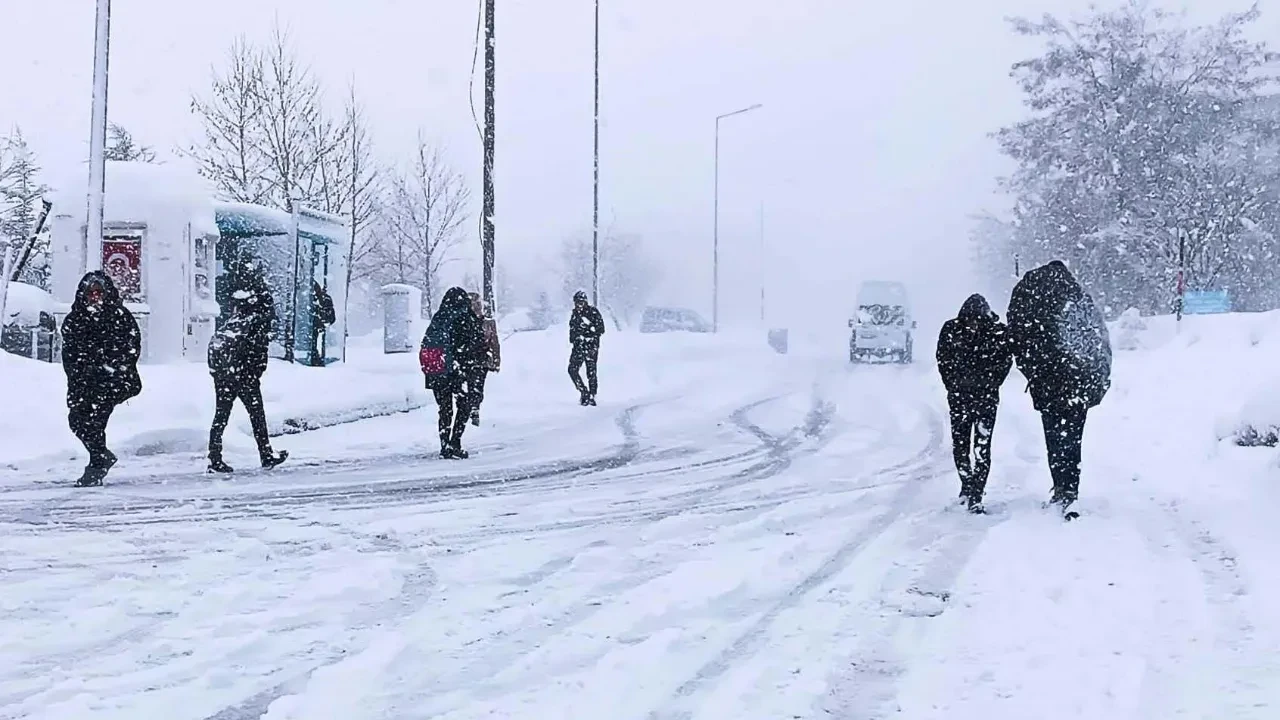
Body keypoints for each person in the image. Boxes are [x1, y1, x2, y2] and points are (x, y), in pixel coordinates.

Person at [1007, 260, 1112, 518]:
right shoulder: (1078, 300)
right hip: (1079, 385)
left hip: (1049, 386)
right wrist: (1096, 379)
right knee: (1074, 439)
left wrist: (1034, 372)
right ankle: (1071, 490)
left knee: (1054, 439)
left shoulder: (1035, 303)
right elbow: (1098, 342)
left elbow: (1019, 341)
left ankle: (1061, 487)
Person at [60, 271, 142, 487]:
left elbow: (131, 348)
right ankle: (101, 456)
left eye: (99, 292)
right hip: (84, 383)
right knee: (77, 421)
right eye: (91, 293)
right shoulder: (74, 319)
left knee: (96, 421)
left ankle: (96, 467)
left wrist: (114, 369)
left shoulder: (119, 316)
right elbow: (69, 356)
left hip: (113, 382)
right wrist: (79, 377)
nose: (95, 297)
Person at [936, 294, 1013, 513]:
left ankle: (977, 493)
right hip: (960, 398)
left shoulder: (998, 333)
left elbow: (1005, 362)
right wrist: (953, 385)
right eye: (969, 321)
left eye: (977, 321)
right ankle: (966, 485)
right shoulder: (951, 330)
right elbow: (943, 359)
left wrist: (990, 383)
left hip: (985, 399)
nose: (973, 325)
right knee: (960, 446)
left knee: (982, 448)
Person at [207, 277, 288, 473]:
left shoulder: (236, 320)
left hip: (225, 375)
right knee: (257, 416)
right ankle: (266, 454)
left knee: (221, 414)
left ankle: (215, 457)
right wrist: (254, 372)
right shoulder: (257, 322)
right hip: (244, 377)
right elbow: (256, 352)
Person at [420, 287, 483, 458]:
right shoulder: (464, 316)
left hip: (437, 370)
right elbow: (473, 342)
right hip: (458, 370)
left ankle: (444, 444)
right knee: (464, 405)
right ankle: (455, 441)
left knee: (445, 408)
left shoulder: (440, 316)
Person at [467, 292, 501, 426]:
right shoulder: (464, 322)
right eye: (474, 303)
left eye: (478, 303)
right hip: (467, 359)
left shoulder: (488, 323)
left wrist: (496, 361)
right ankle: (471, 408)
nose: (476, 306)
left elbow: (494, 342)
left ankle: (475, 408)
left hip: (482, 360)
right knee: (471, 385)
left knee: (478, 385)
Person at [568, 290, 605, 406]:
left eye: (581, 302)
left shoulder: (593, 312)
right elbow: (572, 331)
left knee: (591, 372)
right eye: (577, 302)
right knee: (572, 370)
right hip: (578, 347)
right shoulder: (575, 314)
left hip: (591, 346)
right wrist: (575, 337)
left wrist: (588, 331)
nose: (579, 305)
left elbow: (600, 329)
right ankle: (584, 392)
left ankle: (592, 396)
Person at [310, 281, 336, 365]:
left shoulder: (322, 299)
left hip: (317, 328)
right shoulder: (323, 299)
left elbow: (331, 317)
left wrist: (323, 323)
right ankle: (316, 356)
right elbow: (331, 317)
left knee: (316, 341)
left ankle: (316, 357)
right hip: (316, 327)